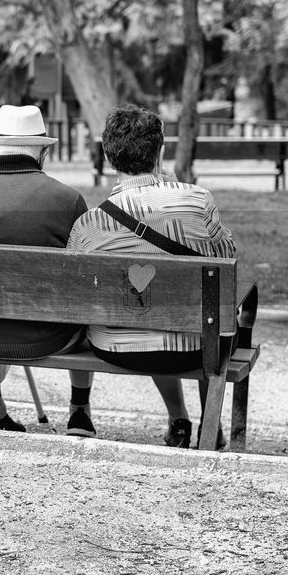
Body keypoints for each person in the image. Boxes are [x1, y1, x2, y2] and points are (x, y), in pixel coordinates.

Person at [68, 105, 236, 449]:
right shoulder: (197, 200)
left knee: (146, 306)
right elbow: (227, 256)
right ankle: (210, 423)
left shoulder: (89, 224)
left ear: (107, 155)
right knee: (207, 312)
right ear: (161, 151)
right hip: (196, 348)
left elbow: (75, 286)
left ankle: (178, 419)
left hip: (116, 347)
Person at [0, 105, 97, 437]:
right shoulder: (68, 199)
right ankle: (80, 412)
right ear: (43, 153)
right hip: (49, 337)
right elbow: (83, 281)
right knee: (84, 302)